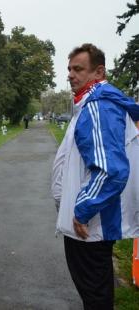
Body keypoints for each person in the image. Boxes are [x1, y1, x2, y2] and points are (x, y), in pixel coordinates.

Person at [51, 44, 139, 310]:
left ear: (98, 72)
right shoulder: (93, 103)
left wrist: (82, 209)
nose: (70, 75)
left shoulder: (98, 105)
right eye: (69, 69)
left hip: (90, 226)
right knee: (95, 293)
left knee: (96, 296)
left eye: (78, 69)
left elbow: (111, 168)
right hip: (91, 225)